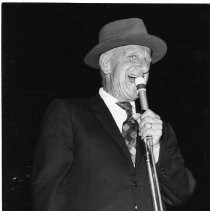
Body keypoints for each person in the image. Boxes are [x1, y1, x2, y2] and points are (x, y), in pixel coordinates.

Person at [32, 18, 196, 211]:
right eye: (133, 57)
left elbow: (182, 194)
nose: (143, 68)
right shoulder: (69, 114)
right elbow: (48, 196)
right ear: (106, 64)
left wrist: (157, 148)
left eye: (147, 60)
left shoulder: (161, 129)